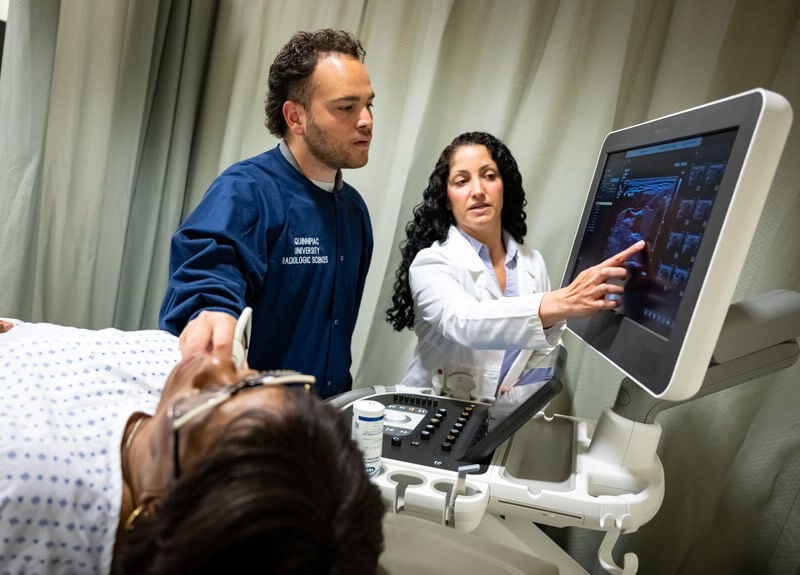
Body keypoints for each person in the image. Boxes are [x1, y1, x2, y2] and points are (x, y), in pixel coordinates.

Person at [0, 320, 384, 574]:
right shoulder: (173, 391)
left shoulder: (26, 490)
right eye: (253, 378)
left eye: (214, 394)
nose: (215, 363)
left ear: (161, 509)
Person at [159, 29, 375, 399]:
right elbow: (207, 277)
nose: (367, 120)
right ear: (295, 117)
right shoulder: (246, 192)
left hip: (318, 418)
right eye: (346, 107)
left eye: (369, 104)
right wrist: (211, 313)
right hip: (251, 423)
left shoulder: (354, 212)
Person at [386, 132, 645, 398]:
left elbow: (544, 346)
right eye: (462, 181)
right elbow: (462, 322)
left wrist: (523, 388)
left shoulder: (532, 263)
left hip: (497, 421)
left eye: (489, 176)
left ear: (504, 186)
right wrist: (559, 302)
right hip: (427, 417)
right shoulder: (431, 263)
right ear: (446, 198)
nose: (478, 191)